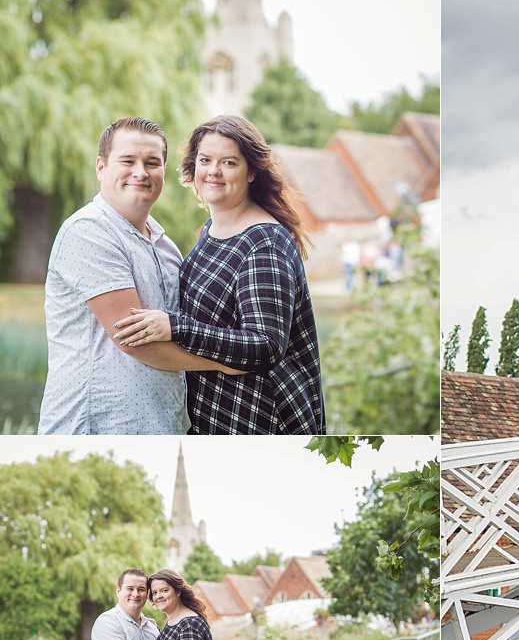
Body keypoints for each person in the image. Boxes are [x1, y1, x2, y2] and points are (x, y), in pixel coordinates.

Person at [113, 115, 325, 434]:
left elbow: (266, 344)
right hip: (214, 419)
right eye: (205, 160)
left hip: (259, 424)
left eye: (229, 162)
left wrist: (176, 327)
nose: (213, 171)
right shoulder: (213, 229)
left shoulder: (263, 241)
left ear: (252, 171)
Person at [39, 117, 245, 435]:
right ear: (101, 167)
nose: (141, 172)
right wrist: (224, 362)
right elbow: (135, 342)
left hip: (163, 426)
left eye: (152, 163)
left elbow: (178, 328)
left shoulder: (165, 246)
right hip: (96, 429)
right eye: (128, 161)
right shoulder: (89, 231)